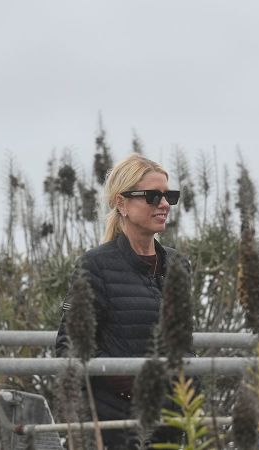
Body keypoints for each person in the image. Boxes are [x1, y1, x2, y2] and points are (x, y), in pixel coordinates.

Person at [55, 153, 185, 449]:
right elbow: (68, 345)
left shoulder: (178, 265)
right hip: (115, 426)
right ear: (120, 202)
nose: (164, 204)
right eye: (153, 196)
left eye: (169, 196)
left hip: (171, 421)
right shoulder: (94, 265)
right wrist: (120, 376)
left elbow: (182, 342)